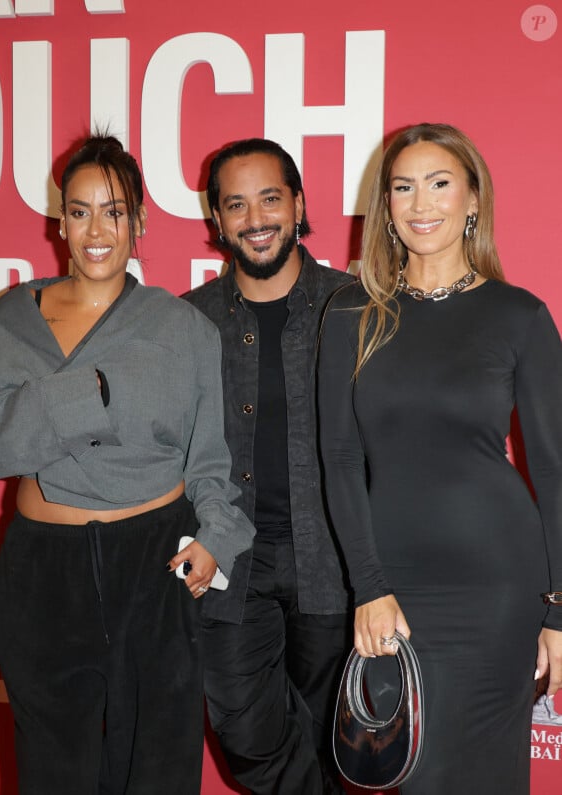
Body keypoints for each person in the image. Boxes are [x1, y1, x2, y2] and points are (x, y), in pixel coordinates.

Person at [0, 134, 255, 795]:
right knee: (53, 770)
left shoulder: (182, 327)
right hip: (43, 572)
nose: (96, 230)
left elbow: (212, 458)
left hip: (153, 565)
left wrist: (217, 540)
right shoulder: (5, 321)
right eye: (79, 211)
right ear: (60, 222)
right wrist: (99, 391)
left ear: (140, 220)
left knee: (158, 765)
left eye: (113, 210)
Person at [317, 122, 562, 794]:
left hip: (499, 586)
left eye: (440, 183)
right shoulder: (351, 313)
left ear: (473, 199)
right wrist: (367, 585)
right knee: (412, 774)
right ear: (386, 206)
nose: (421, 203)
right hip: (393, 588)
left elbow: (554, 469)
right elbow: (338, 457)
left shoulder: (519, 315)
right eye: (403, 187)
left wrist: (560, 610)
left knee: (488, 774)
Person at [185, 138, 353, 794]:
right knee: (249, 741)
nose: (256, 217)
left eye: (270, 198)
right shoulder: (189, 321)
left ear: (299, 204)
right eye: (237, 203)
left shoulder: (357, 307)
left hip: (336, 570)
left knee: (338, 746)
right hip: (231, 569)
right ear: (218, 219)